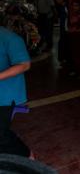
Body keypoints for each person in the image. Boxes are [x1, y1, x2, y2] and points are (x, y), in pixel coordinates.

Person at [0, 26, 32, 158]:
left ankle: (28, 157)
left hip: (6, 95)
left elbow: (24, 64)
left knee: (0, 134)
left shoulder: (10, 38)